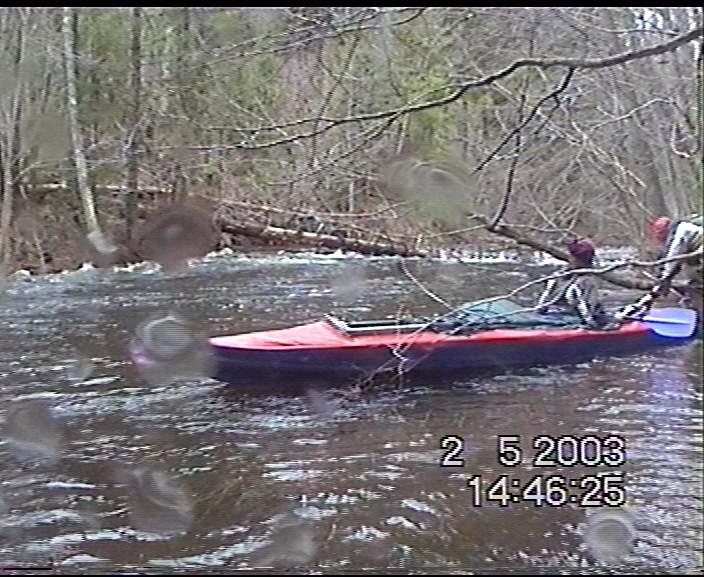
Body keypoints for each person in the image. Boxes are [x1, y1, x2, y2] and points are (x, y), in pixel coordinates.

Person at [618, 214, 703, 320]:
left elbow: (671, 259)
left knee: (697, 289)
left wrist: (662, 282)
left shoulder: (681, 230)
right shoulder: (691, 227)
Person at [536, 238, 616, 330]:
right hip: (572, 320)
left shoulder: (557, 275)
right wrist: (598, 326)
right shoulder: (586, 281)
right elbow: (587, 311)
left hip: (549, 316)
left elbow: (541, 306)